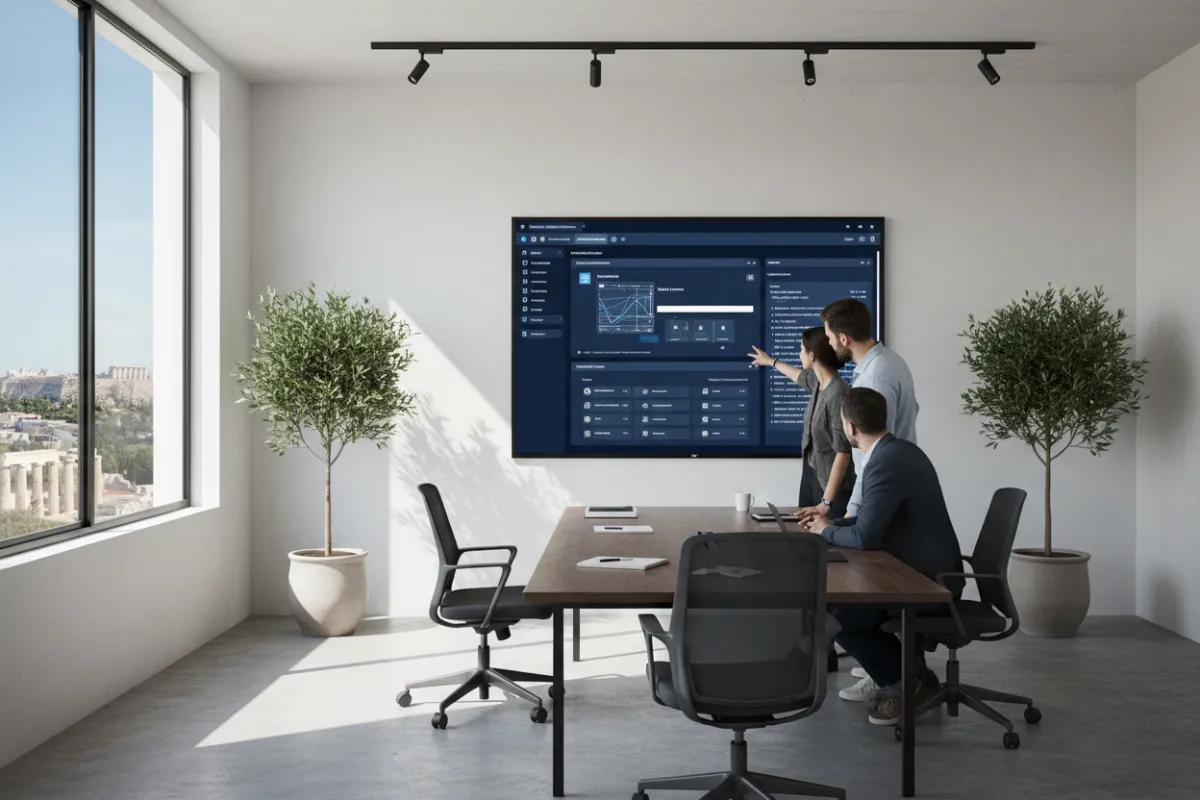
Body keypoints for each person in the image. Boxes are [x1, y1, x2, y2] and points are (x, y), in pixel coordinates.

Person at [800, 387, 963, 726]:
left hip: (926, 581)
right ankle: (915, 677)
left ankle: (905, 686)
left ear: (849, 427)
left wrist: (824, 532)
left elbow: (865, 536)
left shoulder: (885, 462)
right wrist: (831, 523)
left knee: (843, 620)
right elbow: (869, 520)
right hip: (921, 568)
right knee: (842, 609)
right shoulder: (899, 451)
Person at [817, 298, 919, 521]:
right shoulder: (891, 361)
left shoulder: (875, 377)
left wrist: (851, 512)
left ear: (843, 339)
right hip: (890, 484)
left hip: (883, 489)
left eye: (830, 338)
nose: (830, 344)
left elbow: (875, 451)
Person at [748, 327, 855, 518]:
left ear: (812, 355)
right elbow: (798, 376)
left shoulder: (838, 393)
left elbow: (843, 452)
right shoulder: (819, 383)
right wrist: (770, 361)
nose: (799, 354)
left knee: (829, 543)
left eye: (801, 349)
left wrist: (826, 502)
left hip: (831, 489)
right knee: (806, 537)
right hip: (811, 476)